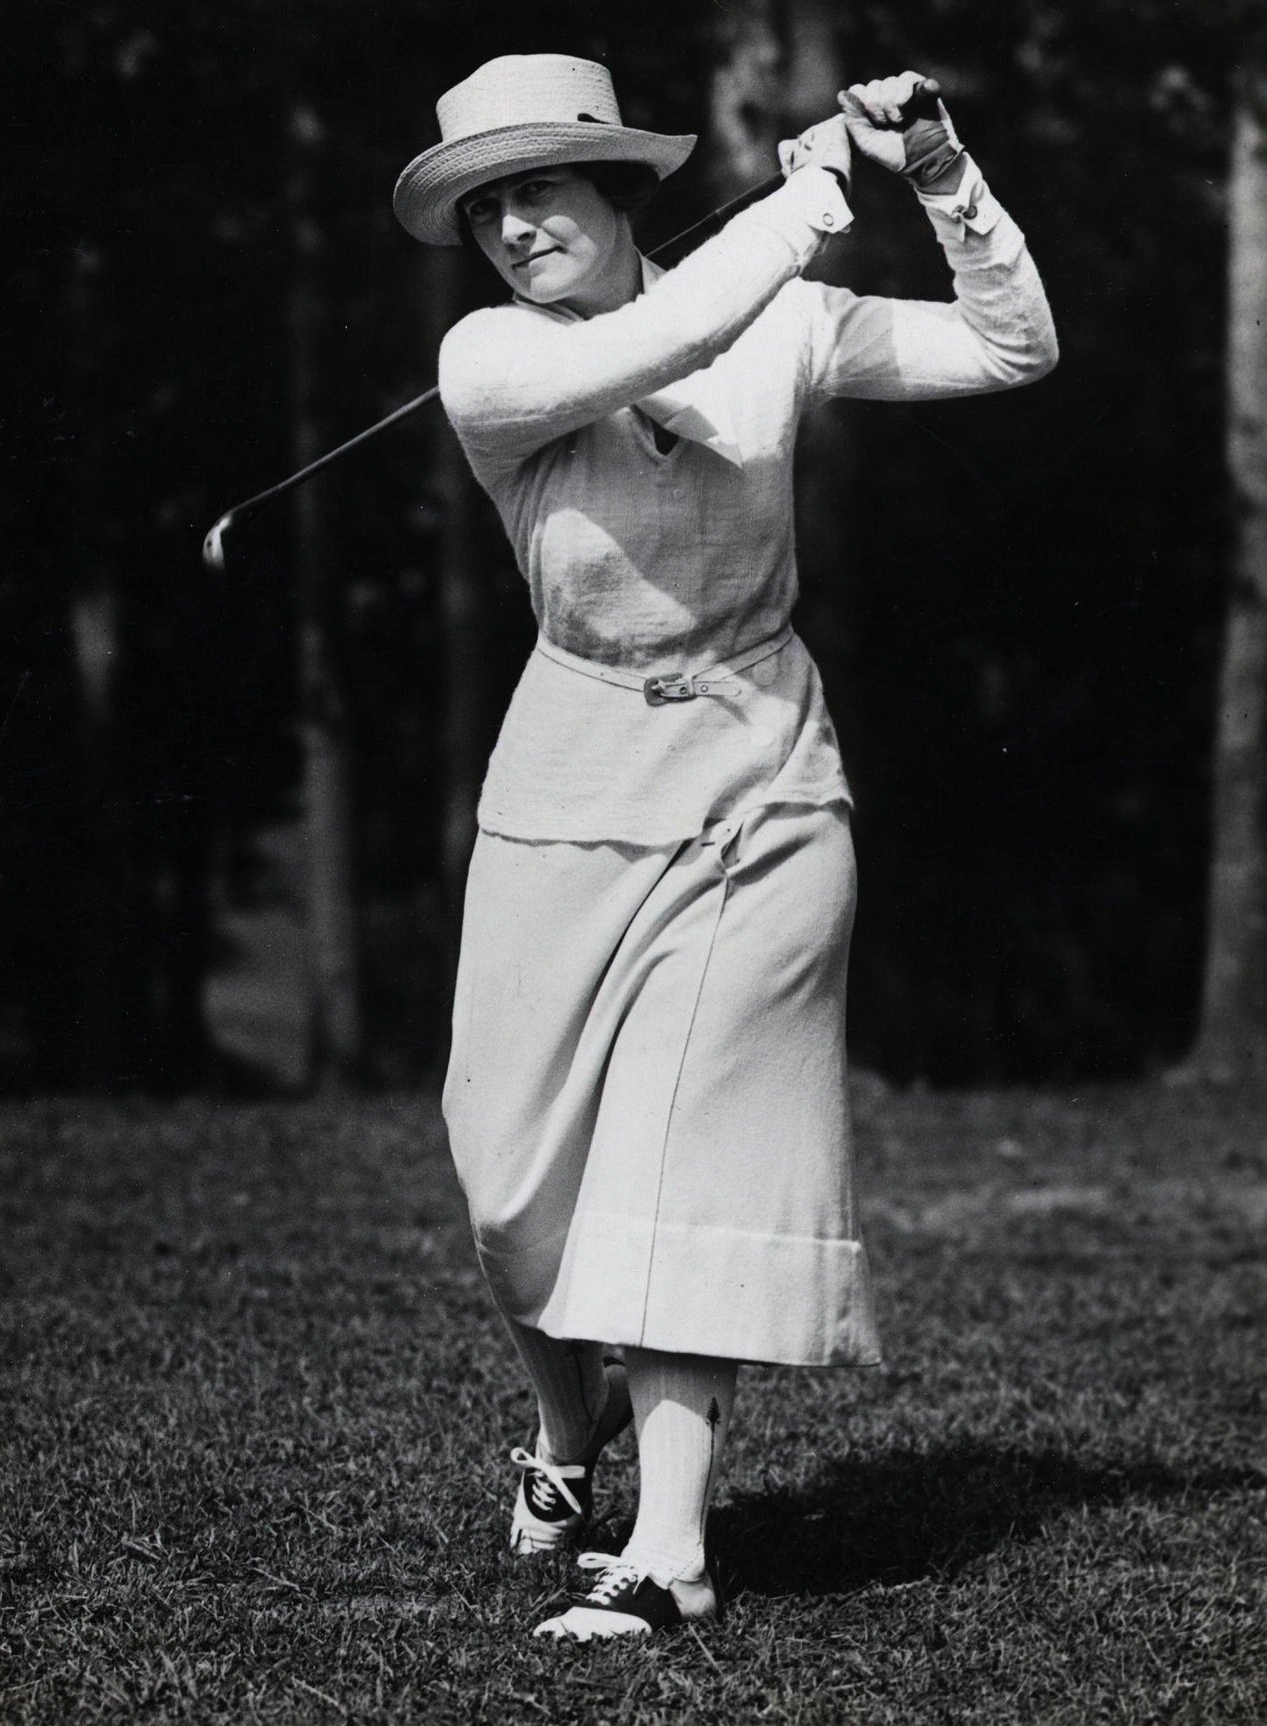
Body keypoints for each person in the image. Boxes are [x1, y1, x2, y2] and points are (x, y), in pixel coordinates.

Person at [392, 51, 1056, 1642]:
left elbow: (1012, 346)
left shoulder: (778, 308)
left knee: (684, 1153)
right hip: (570, 769)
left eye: (544, 185)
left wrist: (940, 176)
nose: (513, 226)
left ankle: (673, 1548)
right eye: (486, 205)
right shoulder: (488, 360)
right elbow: (669, 334)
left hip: (761, 769)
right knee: (507, 1182)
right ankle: (569, 1431)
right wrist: (816, 184)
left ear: (617, 187)